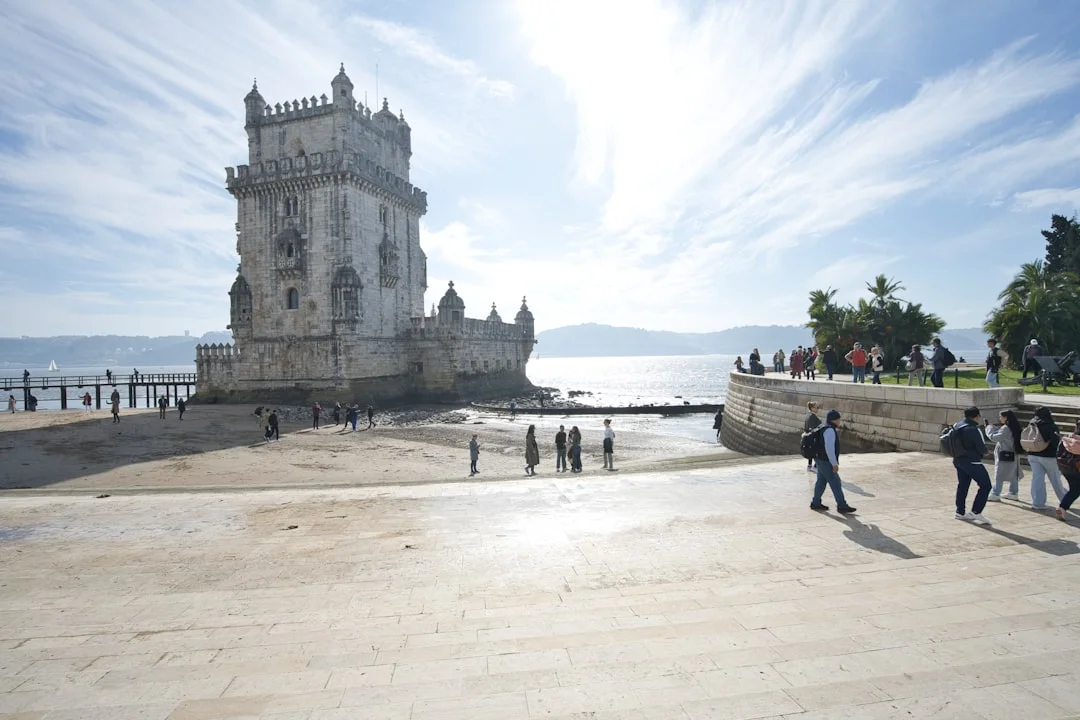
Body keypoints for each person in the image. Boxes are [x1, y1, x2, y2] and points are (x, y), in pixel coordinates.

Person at [949, 407, 992, 524]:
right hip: (972, 461)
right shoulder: (973, 429)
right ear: (977, 416)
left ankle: (960, 512)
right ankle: (976, 512)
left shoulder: (958, 425)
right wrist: (987, 452)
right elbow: (981, 448)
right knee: (986, 485)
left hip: (958, 460)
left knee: (963, 485)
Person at [809, 409, 856, 514]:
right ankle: (842, 506)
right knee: (836, 483)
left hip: (819, 459)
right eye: (839, 419)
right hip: (826, 461)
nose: (840, 421)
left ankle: (815, 502)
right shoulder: (830, 430)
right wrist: (834, 464)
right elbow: (829, 448)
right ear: (834, 420)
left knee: (821, 482)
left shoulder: (823, 427)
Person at [1027, 407, 1066, 510]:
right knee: (1055, 480)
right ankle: (1065, 500)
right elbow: (1055, 442)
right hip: (1048, 456)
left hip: (1033, 454)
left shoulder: (1032, 423)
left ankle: (1037, 503)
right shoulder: (1050, 425)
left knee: (1037, 479)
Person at [986, 410, 1023, 502]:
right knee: (1013, 473)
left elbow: (995, 437)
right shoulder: (1015, 427)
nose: (1000, 419)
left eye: (1001, 417)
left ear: (1006, 417)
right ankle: (1013, 492)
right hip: (1014, 453)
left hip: (1005, 454)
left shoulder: (1006, 428)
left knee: (999, 474)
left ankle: (995, 493)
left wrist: (988, 428)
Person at [1057, 419, 1080, 520]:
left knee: (1074, 489)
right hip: (1077, 468)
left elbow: (1059, 450)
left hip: (1065, 466)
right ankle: (1062, 508)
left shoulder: (1068, 437)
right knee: (1075, 490)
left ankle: (1062, 508)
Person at [803, 402, 822, 472]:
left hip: (808, 436)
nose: (818, 409)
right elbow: (813, 428)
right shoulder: (812, 416)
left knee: (811, 451)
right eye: (816, 407)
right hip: (813, 437)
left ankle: (809, 466)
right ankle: (815, 466)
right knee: (816, 451)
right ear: (812, 408)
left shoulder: (808, 415)